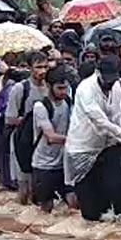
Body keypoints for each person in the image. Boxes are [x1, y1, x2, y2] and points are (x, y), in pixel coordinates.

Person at [65, 55, 121, 221]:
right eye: (106, 79)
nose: (109, 84)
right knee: (91, 206)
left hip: (110, 144)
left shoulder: (116, 87)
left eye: (113, 79)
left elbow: (116, 115)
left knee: (119, 189)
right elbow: (98, 120)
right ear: (97, 72)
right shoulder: (85, 89)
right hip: (84, 146)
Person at [6, 51, 51, 204]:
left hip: (44, 143)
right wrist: (30, 120)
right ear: (30, 68)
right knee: (24, 188)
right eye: (38, 67)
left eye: (46, 66)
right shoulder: (20, 89)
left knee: (39, 188)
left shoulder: (51, 88)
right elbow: (9, 119)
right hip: (22, 142)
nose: (43, 71)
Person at [31, 68, 76, 213]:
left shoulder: (68, 103)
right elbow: (50, 136)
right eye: (60, 88)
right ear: (49, 86)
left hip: (64, 163)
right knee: (46, 208)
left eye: (66, 88)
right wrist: (75, 140)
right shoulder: (41, 107)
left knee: (74, 202)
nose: (63, 92)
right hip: (44, 165)